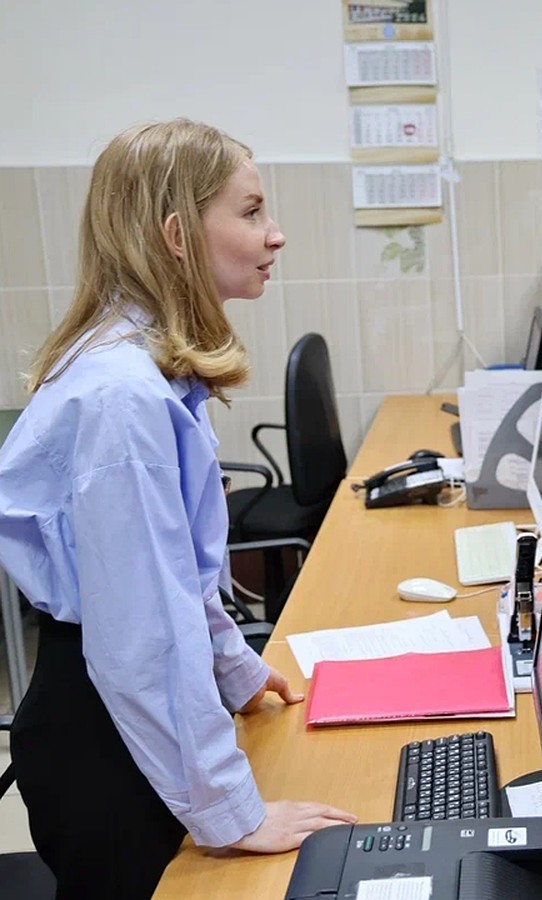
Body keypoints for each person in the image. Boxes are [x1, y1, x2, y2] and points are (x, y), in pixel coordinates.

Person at [0, 119, 357, 900]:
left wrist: (236, 670)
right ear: (177, 234)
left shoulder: (149, 367)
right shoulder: (122, 398)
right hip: (103, 736)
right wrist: (231, 813)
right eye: (252, 211)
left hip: (122, 708)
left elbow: (179, 583)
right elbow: (143, 636)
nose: (276, 234)